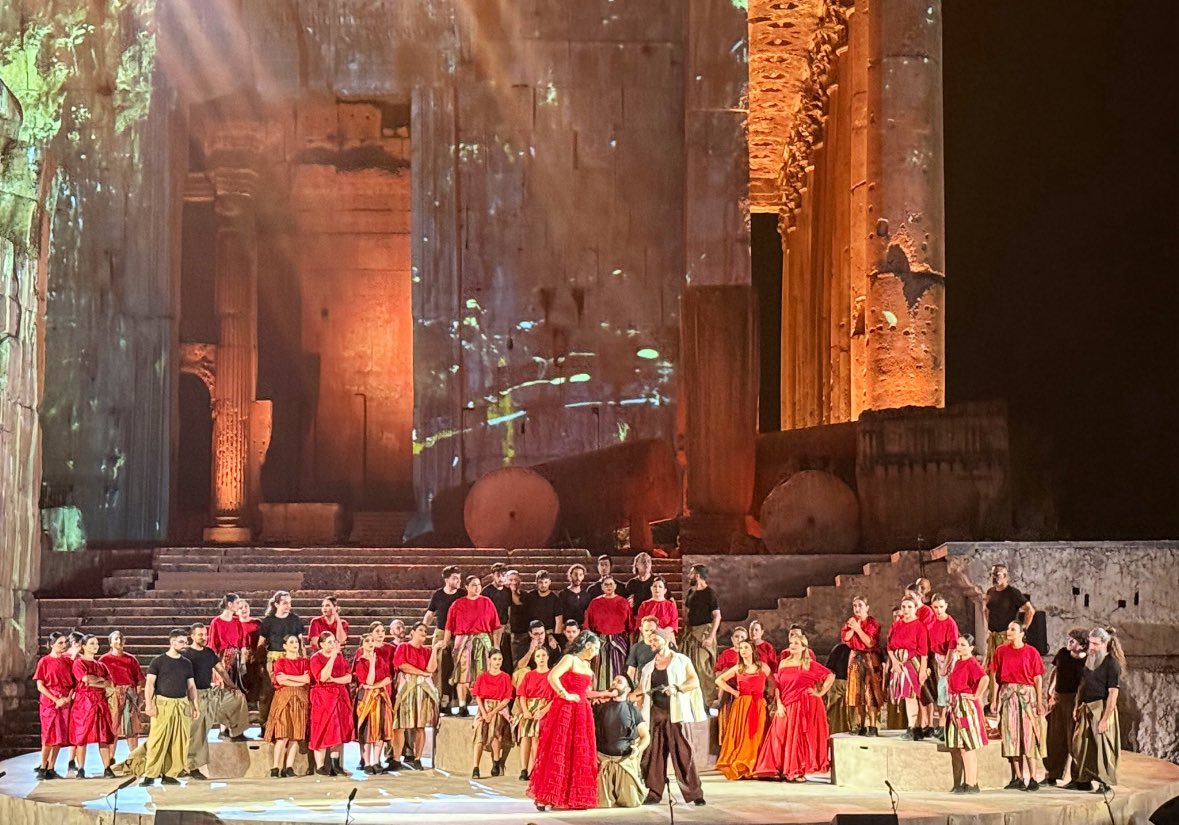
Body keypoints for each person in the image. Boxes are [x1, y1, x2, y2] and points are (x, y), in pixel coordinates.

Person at [529, 630, 601, 811]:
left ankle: (572, 796)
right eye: (596, 648)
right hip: (565, 709)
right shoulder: (570, 659)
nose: (597, 652)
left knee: (578, 750)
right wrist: (565, 694)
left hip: (582, 710)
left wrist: (603, 694)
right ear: (588, 645)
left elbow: (584, 691)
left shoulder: (586, 664)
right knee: (559, 748)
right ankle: (547, 796)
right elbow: (552, 676)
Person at [637, 632, 706, 806]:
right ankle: (654, 792)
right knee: (654, 754)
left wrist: (677, 688)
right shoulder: (648, 667)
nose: (652, 643)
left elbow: (694, 681)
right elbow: (641, 689)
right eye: (650, 640)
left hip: (677, 714)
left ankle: (695, 793)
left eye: (655, 639)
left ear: (666, 640)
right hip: (656, 714)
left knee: (683, 753)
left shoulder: (682, 660)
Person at [753, 635, 834, 782]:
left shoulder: (809, 664)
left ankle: (796, 770)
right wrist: (779, 704)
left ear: (804, 647)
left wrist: (820, 693)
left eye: (796, 643)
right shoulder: (783, 663)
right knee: (778, 734)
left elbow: (830, 675)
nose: (792, 645)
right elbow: (778, 686)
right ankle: (776, 768)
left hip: (805, 704)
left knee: (798, 737)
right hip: (786, 703)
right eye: (791, 643)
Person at [183, 623, 250, 780]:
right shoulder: (186, 654)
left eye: (205, 634)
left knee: (238, 697)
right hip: (193, 696)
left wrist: (233, 687)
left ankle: (234, 731)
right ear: (192, 636)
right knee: (197, 733)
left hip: (210, 693)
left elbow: (221, 671)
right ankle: (192, 767)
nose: (204, 637)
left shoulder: (209, 652)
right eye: (200, 634)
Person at [989, 621, 1046, 791]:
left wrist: (1039, 701)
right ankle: (1018, 777)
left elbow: (1037, 678)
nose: (1009, 631)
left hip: (1026, 696)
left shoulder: (1031, 652)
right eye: (1008, 629)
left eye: (1013, 629)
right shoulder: (1001, 651)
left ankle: (1033, 777)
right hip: (1008, 696)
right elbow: (996, 677)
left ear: (1021, 633)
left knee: (1029, 736)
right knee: (1011, 736)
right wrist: (994, 700)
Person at [141, 629, 200, 786]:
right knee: (157, 740)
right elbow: (150, 684)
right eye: (181, 642)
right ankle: (150, 774)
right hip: (163, 704)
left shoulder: (186, 663)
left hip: (181, 704)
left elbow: (191, 686)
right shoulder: (158, 661)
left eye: (186, 642)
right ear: (172, 642)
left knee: (179, 741)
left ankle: (170, 774)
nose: (184, 645)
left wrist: (195, 706)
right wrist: (149, 703)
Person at [1069, 627, 1124, 793]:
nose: (1091, 647)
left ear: (1105, 643)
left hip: (1101, 707)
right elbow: (1082, 685)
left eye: (1095, 644)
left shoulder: (1112, 664)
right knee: (1080, 745)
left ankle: (1104, 783)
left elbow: (1113, 693)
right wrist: (1077, 706)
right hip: (1085, 707)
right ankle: (1082, 780)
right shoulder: (1089, 660)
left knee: (1102, 747)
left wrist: (1105, 719)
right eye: (1090, 643)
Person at [444, 575, 502, 715]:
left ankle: (484, 706)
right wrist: (445, 642)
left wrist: (496, 645)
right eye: (474, 585)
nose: (477, 588)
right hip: (463, 642)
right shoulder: (457, 604)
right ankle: (462, 705)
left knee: (484, 673)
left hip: (483, 640)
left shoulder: (487, 602)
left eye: (479, 585)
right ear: (467, 587)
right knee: (462, 674)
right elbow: (449, 626)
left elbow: (496, 626)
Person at [389, 622, 443, 771]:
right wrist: (421, 673)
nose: (424, 633)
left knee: (420, 726)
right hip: (406, 689)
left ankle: (418, 758)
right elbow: (402, 665)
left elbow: (431, 669)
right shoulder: (404, 647)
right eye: (420, 630)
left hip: (421, 691)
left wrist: (435, 650)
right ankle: (396, 759)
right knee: (400, 725)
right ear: (412, 632)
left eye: (425, 631)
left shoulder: (427, 651)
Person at [714, 639, 770, 780]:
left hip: (758, 704)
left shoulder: (763, 667)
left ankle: (754, 765)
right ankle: (741, 765)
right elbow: (719, 680)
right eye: (741, 648)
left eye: (746, 647)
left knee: (756, 735)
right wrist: (734, 692)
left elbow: (774, 684)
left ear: (752, 650)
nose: (743, 650)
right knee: (741, 735)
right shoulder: (738, 668)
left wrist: (769, 698)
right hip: (742, 705)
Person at [594, 674, 650, 807]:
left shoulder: (633, 710)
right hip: (603, 761)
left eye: (619, 682)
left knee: (631, 802)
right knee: (602, 804)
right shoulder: (600, 708)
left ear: (627, 689)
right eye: (613, 681)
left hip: (624, 761)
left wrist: (638, 750)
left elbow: (645, 736)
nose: (614, 683)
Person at [945, 634, 988, 793]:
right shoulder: (958, 662)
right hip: (956, 705)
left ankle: (972, 783)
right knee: (960, 746)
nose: (959, 647)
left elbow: (984, 679)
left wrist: (976, 695)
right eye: (958, 644)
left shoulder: (971, 662)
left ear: (971, 647)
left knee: (967, 745)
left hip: (965, 707)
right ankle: (965, 782)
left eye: (963, 645)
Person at [1044, 628, 1088, 785]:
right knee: (1055, 738)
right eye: (1069, 638)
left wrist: (1078, 704)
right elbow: (1055, 672)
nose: (1069, 642)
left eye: (1073, 640)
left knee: (1073, 740)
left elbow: (1084, 683)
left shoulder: (1087, 660)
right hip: (1059, 698)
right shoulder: (1063, 653)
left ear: (1082, 645)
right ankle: (1052, 774)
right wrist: (1050, 691)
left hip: (1074, 700)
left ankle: (1078, 778)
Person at [69, 635, 116, 778]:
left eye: (96, 643)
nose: (95, 646)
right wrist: (98, 680)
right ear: (83, 646)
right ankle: (81, 768)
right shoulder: (79, 663)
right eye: (91, 643)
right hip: (84, 703)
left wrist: (96, 681)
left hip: (100, 701)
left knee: (103, 735)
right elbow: (85, 678)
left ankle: (107, 768)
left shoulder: (101, 665)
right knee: (81, 735)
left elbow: (109, 683)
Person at [263, 634, 309, 778]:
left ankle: (288, 767)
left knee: (296, 735)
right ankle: (276, 767)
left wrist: (289, 677)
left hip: (300, 699)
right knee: (282, 735)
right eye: (291, 642)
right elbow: (280, 680)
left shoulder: (304, 662)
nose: (295, 644)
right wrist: (297, 681)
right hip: (284, 699)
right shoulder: (280, 662)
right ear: (285, 646)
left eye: (296, 642)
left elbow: (307, 679)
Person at [256, 591, 305, 727]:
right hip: (274, 658)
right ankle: (265, 723)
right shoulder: (269, 621)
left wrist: (303, 658)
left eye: (289, 603)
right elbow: (261, 643)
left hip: (292, 658)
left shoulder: (295, 619)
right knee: (268, 691)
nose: (288, 606)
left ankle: (288, 724)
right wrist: (260, 663)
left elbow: (301, 642)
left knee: (290, 689)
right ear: (276, 604)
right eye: (284, 603)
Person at [309, 632, 354, 776]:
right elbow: (323, 677)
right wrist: (332, 657)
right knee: (322, 728)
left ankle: (335, 763)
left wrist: (334, 680)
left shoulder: (340, 657)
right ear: (321, 644)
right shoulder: (316, 658)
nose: (333, 644)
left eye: (334, 641)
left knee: (338, 729)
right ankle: (320, 765)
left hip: (340, 695)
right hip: (323, 698)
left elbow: (348, 677)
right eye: (329, 642)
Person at [887, 595, 930, 739]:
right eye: (904, 607)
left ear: (915, 608)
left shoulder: (919, 627)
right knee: (906, 696)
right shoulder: (896, 625)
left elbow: (924, 653)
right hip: (899, 666)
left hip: (912, 665)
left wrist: (922, 671)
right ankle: (914, 728)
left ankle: (912, 728)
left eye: (909, 607)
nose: (906, 610)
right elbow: (889, 646)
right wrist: (894, 662)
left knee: (911, 696)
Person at [352, 631, 395, 775]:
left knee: (380, 730)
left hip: (380, 697)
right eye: (367, 641)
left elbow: (388, 678)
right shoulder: (361, 661)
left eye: (372, 641)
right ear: (362, 645)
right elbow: (368, 681)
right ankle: (367, 762)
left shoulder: (380, 659)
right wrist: (371, 664)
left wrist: (374, 687)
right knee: (367, 731)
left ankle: (376, 761)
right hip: (366, 699)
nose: (371, 643)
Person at [841, 596, 884, 736]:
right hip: (855, 659)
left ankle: (873, 725)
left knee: (870, 692)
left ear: (867, 607)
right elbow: (845, 638)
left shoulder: (873, 623)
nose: (857, 608)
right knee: (857, 693)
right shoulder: (851, 622)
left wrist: (858, 629)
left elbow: (869, 643)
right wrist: (853, 628)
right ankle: (861, 724)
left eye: (860, 605)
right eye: (854, 605)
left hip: (869, 659)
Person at [34, 632, 73, 780]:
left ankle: (51, 766)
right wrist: (55, 699)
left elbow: (73, 684)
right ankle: (43, 766)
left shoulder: (68, 661)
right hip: (49, 702)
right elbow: (40, 685)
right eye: (60, 643)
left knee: (59, 735)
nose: (63, 645)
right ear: (51, 645)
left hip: (64, 701)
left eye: (64, 642)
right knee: (49, 734)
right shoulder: (44, 661)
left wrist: (67, 698)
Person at [423, 565, 463, 710]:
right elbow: (430, 614)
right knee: (439, 664)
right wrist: (422, 630)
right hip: (441, 632)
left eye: (459, 578)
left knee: (457, 665)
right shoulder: (438, 595)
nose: (458, 581)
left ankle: (456, 699)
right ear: (446, 579)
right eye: (455, 578)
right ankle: (439, 697)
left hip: (458, 634)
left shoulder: (462, 594)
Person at [513, 646, 556, 780]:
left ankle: (535, 768)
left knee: (536, 737)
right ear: (534, 659)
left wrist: (543, 710)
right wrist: (525, 711)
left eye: (543, 655)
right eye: (538, 656)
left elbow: (556, 697)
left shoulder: (552, 675)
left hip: (544, 709)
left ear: (547, 657)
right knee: (525, 736)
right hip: (529, 709)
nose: (541, 658)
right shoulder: (529, 675)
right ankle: (523, 769)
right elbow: (522, 694)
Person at [680, 564, 721, 705]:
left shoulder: (710, 593)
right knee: (689, 666)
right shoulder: (691, 592)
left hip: (704, 632)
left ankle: (707, 702)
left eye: (691, 573)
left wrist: (710, 636)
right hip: (691, 633)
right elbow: (687, 612)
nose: (689, 576)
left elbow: (717, 616)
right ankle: (691, 701)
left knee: (703, 667)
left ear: (697, 576)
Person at [584, 575, 633, 691]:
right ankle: (601, 696)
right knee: (599, 671)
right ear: (602, 587)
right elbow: (587, 626)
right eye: (606, 584)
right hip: (600, 641)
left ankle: (618, 694)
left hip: (619, 641)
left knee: (619, 669)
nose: (608, 586)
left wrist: (630, 646)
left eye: (611, 584)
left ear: (615, 586)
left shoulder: (623, 602)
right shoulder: (595, 603)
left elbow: (630, 626)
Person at [470, 650, 514, 778]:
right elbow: (478, 696)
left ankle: (496, 762)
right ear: (489, 660)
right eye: (495, 659)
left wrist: (494, 712)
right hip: (484, 707)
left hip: (499, 708)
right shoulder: (482, 677)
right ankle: (475, 767)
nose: (497, 662)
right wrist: (484, 713)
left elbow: (507, 698)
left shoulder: (505, 677)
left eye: (499, 659)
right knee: (479, 734)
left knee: (496, 731)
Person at [100, 630, 145, 753]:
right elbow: (101, 680)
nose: (119, 641)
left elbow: (138, 680)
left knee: (131, 728)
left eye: (121, 639)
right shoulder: (104, 659)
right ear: (110, 643)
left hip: (129, 694)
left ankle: (134, 757)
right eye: (116, 639)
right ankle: (110, 760)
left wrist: (139, 697)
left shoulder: (131, 659)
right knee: (112, 727)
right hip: (112, 695)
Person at [983, 565, 1035, 665]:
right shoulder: (990, 591)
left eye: (997, 574)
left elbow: (1030, 610)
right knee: (991, 668)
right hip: (993, 637)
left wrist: (1022, 629)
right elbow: (986, 610)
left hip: (1007, 637)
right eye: (992, 574)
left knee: (1006, 666)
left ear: (1005, 576)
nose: (994, 577)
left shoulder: (1013, 593)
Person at [927, 594, 960, 739]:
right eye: (935, 607)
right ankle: (941, 725)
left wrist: (945, 666)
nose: (938, 610)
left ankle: (947, 725)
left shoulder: (950, 623)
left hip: (949, 659)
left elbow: (952, 648)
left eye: (941, 607)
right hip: (937, 658)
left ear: (946, 606)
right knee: (940, 693)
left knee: (947, 692)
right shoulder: (932, 621)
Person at [207, 593, 247, 692]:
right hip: (221, 660)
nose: (239, 606)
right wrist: (214, 666)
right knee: (223, 687)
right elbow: (212, 645)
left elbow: (242, 644)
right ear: (229, 604)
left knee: (236, 687)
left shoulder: (237, 622)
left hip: (235, 660)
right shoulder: (216, 622)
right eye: (237, 603)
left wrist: (243, 663)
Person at [714, 626, 749, 735]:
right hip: (728, 690)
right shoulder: (726, 654)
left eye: (742, 637)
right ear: (732, 639)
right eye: (737, 636)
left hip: (744, 690)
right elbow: (717, 673)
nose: (739, 639)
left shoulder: (749, 654)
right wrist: (726, 671)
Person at [635, 577, 678, 646]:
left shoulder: (670, 605)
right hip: (647, 637)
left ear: (665, 590)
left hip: (666, 636)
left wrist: (661, 633)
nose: (657, 589)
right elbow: (639, 622)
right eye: (655, 586)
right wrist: (649, 634)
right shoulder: (644, 604)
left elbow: (673, 623)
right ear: (651, 588)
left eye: (660, 587)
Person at [523, 570, 564, 641]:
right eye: (540, 582)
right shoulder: (530, 596)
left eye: (546, 582)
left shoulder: (555, 599)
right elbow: (524, 616)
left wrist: (556, 638)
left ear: (550, 582)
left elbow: (559, 621)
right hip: (533, 633)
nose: (543, 585)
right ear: (536, 582)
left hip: (549, 634)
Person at [485, 562, 514, 661]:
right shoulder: (487, 591)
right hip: (490, 626)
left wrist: (508, 625)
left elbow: (509, 608)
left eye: (503, 575)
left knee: (502, 651)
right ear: (493, 575)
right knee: (492, 650)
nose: (501, 578)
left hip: (503, 625)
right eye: (498, 575)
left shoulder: (507, 591)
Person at [824, 641, 853, 736]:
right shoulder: (840, 648)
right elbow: (829, 668)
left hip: (850, 683)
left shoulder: (860, 649)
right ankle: (834, 732)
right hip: (838, 682)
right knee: (835, 710)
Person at [506, 569, 533, 664]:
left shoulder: (525, 596)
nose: (513, 582)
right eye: (511, 580)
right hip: (507, 634)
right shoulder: (503, 595)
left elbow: (529, 614)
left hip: (524, 634)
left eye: (516, 579)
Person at [626, 616, 659, 685]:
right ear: (641, 629)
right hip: (642, 685)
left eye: (652, 630)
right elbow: (631, 672)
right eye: (646, 630)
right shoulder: (636, 648)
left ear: (657, 629)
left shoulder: (664, 646)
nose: (649, 633)